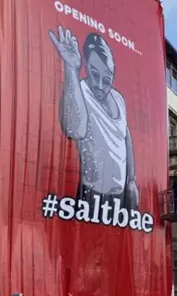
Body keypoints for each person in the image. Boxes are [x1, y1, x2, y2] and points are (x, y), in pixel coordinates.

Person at [49, 26, 139, 211]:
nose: (100, 85)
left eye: (107, 80)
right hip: (92, 194)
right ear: (86, 66)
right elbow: (75, 129)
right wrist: (71, 69)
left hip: (120, 195)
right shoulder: (79, 91)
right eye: (94, 74)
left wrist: (131, 180)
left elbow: (125, 136)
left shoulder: (118, 98)